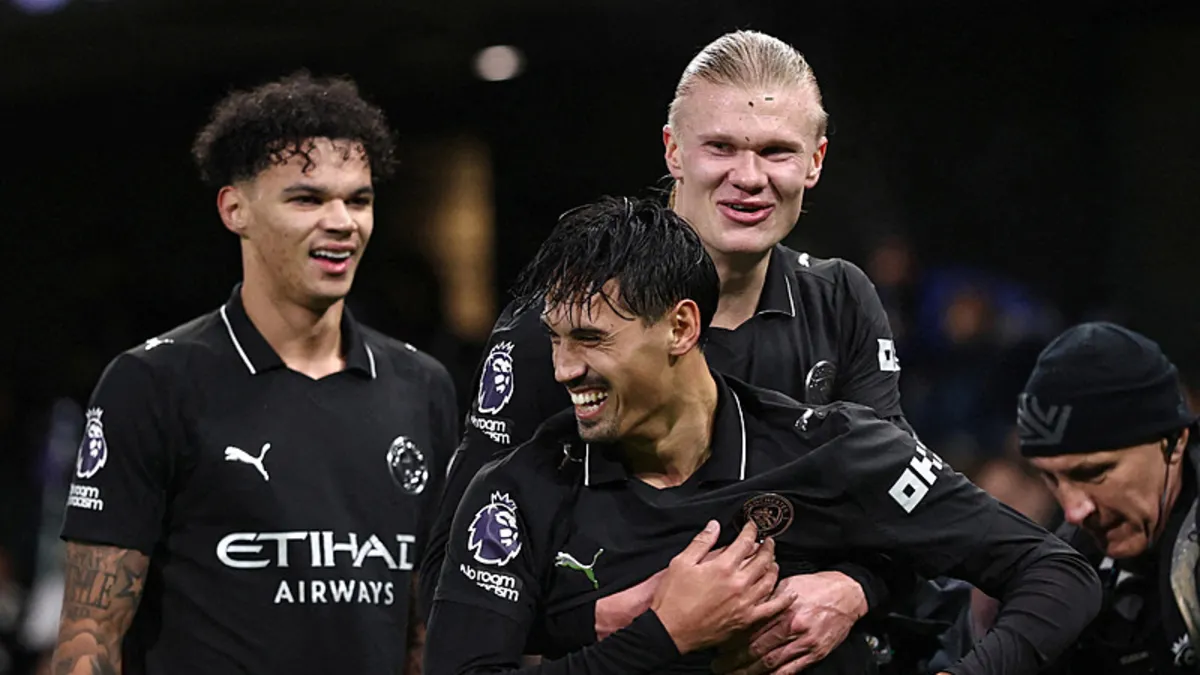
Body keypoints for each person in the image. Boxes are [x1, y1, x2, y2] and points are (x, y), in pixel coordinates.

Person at [423, 195, 1101, 675]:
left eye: (591, 339)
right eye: (556, 339)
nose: (564, 369)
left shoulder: (830, 450)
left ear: (681, 328)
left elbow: (1056, 571)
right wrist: (664, 633)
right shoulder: (518, 490)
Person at [422, 30, 924, 674]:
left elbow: (906, 511)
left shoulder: (840, 300)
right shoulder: (562, 326)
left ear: (815, 161)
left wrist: (854, 589)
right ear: (673, 150)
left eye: (776, 151)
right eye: (721, 147)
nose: (749, 178)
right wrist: (616, 619)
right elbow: (450, 580)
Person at [47, 72, 458, 674]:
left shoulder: (422, 387)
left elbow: (425, 630)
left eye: (358, 200)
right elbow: (90, 635)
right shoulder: (152, 383)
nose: (342, 221)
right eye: (307, 199)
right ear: (235, 209)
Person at [1016, 322, 1200, 673]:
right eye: (1051, 478)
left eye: (1094, 473)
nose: (1073, 511)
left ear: (1174, 443)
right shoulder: (1063, 575)